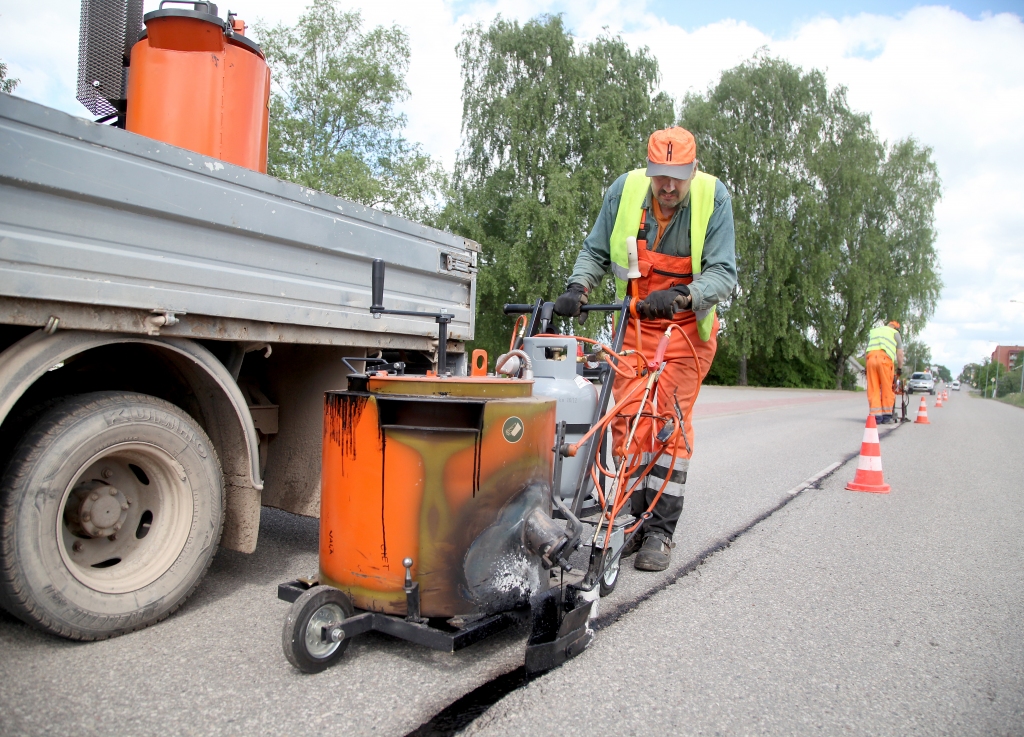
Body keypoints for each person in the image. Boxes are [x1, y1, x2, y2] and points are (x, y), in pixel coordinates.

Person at [553, 126, 737, 572]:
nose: (668, 186)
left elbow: (723, 273)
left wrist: (683, 295)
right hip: (635, 327)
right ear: (649, 169)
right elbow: (595, 250)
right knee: (629, 425)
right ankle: (634, 520)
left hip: (686, 330)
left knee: (667, 424)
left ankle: (661, 531)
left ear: (693, 170)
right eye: (660, 176)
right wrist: (579, 286)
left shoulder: (713, 198)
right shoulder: (626, 190)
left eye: (677, 177)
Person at [864, 321, 905, 424]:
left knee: (873, 388)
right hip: (885, 361)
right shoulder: (895, 333)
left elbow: (867, 350)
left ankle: (876, 416)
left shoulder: (875, 331)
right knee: (887, 388)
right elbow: (900, 354)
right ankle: (886, 416)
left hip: (871, 360)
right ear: (896, 328)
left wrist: (866, 366)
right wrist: (900, 368)